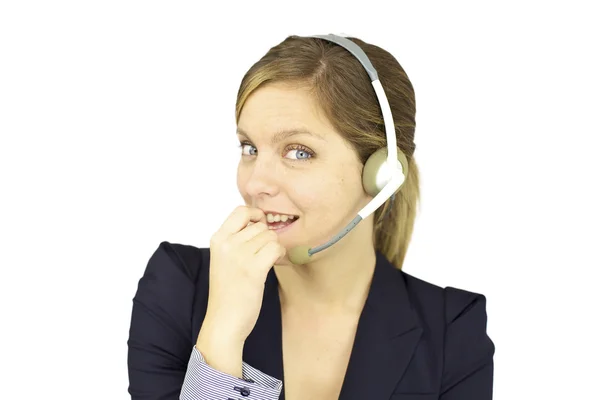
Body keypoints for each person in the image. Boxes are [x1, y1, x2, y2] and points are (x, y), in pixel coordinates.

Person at [127, 34, 495, 400]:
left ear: (382, 174)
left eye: (298, 152)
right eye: (249, 148)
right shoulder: (179, 288)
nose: (255, 183)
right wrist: (222, 335)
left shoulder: (452, 331)